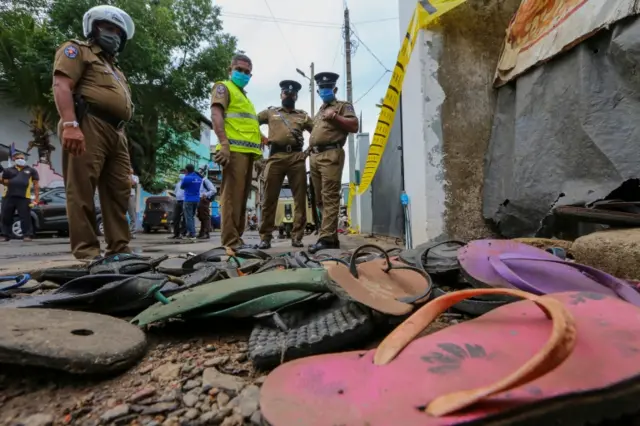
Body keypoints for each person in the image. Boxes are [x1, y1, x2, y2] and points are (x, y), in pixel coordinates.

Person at [51, 5, 135, 260]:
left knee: (119, 192)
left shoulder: (116, 69)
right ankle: (87, 253)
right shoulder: (78, 51)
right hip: (88, 123)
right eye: (108, 28)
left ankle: (119, 250)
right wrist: (70, 124)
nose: (114, 35)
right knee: (81, 190)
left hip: (117, 133)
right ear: (94, 28)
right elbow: (62, 84)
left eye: (118, 32)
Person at [211, 53, 264, 249]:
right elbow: (216, 115)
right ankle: (231, 242)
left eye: (247, 72)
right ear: (230, 70)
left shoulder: (243, 97)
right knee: (231, 198)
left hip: (246, 153)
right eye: (239, 70)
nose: (243, 74)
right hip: (233, 151)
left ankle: (237, 239)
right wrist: (224, 144)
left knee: (241, 199)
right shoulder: (224, 88)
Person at [255, 80, 313, 249]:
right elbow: (252, 122)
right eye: (286, 93)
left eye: (292, 93)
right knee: (269, 199)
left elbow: (316, 132)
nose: (289, 95)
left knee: (300, 200)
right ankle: (265, 237)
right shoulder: (270, 112)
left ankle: (297, 237)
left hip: (297, 157)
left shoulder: (302, 115)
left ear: (296, 96)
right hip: (275, 157)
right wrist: (261, 138)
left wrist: (307, 152)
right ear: (281, 94)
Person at [308, 72, 359, 254]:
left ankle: (326, 239)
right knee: (320, 199)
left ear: (334, 89)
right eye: (321, 88)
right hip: (314, 157)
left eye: (328, 87)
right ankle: (331, 237)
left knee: (330, 196)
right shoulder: (320, 110)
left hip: (331, 154)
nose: (324, 90)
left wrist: (335, 117)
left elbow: (354, 126)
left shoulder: (342, 106)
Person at [1, 153, 39, 242]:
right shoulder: (8, 170)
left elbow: (36, 184)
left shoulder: (31, 170)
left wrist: (37, 198)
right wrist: (9, 181)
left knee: (25, 217)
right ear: (14, 159)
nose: (21, 159)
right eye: (18, 158)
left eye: (22, 158)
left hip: (24, 197)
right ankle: (5, 235)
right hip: (8, 196)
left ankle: (27, 235)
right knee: (6, 216)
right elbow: (3, 181)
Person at [180, 164, 202, 241]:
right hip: (196, 200)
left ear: (186, 170)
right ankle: (191, 233)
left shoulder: (187, 178)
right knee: (192, 217)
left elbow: (182, 187)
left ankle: (192, 234)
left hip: (188, 199)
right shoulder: (199, 178)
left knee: (188, 217)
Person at [197, 166, 216, 239]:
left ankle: (206, 233)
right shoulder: (200, 181)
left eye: (201, 171)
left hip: (204, 200)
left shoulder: (205, 180)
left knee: (205, 217)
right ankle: (202, 233)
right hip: (199, 200)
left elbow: (213, 190)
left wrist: (206, 195)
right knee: (201, 217)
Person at [169, 169, 186, 239]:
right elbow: (175, 192)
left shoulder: (186, 182)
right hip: (178, 201)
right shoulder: (178, 183)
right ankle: (176, 233)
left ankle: (183, 233)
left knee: (184, 218)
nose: (181, 174)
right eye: (180, 173)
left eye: (182, 173)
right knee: (175, 218)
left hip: (184, 201)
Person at [128, 167, 139, 238]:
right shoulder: (122, 175)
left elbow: (133, 184)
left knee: (132, 214)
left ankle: (132, 232)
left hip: (131, 196)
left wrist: (129, 176)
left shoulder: (135, 177)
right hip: (122, 195)